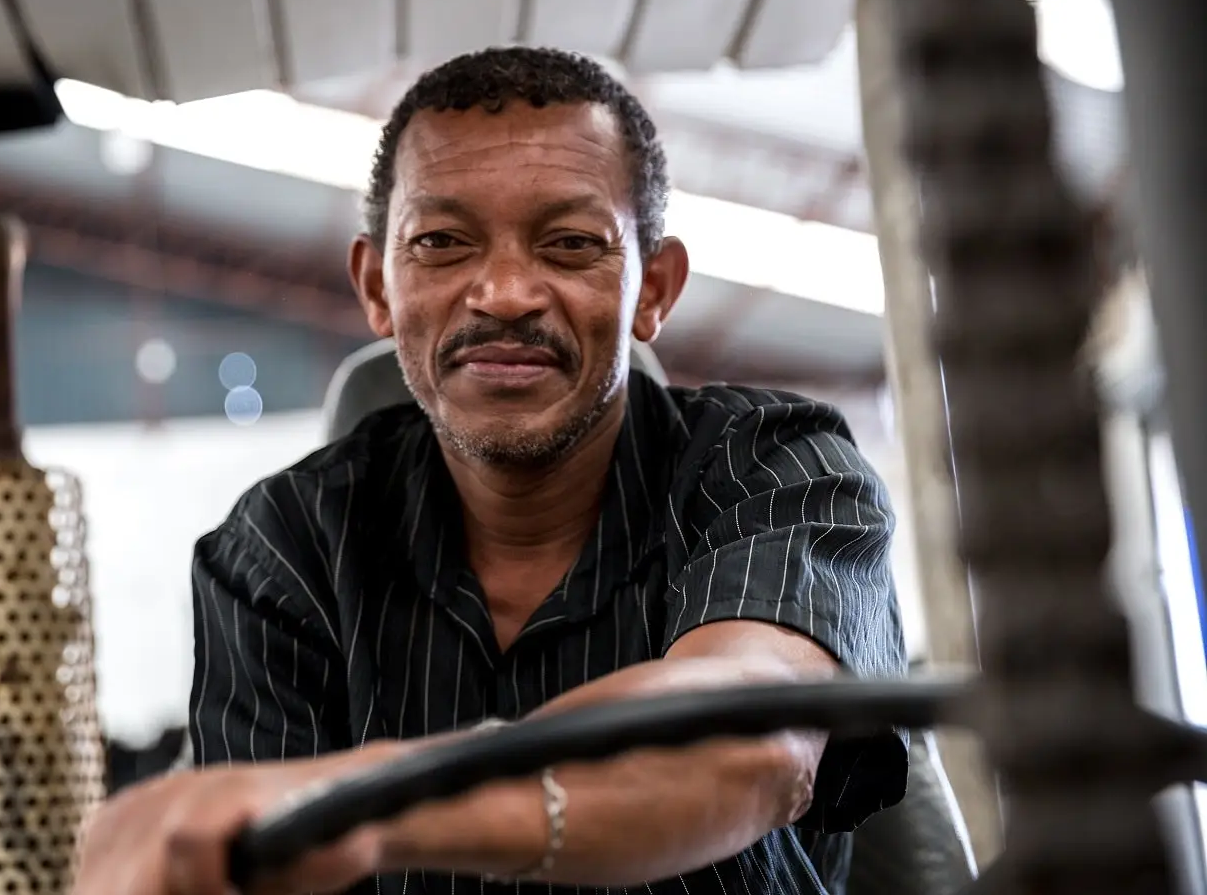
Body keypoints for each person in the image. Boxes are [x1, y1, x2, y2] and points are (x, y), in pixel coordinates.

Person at [73, 46, 907, 895]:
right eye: (441, 242)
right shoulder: (284, 549)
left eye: (571, 244)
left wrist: (363, 805)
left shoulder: (776, 471)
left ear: (653, 288)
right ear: (377, 288)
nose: (506, 293)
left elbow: (751, 737)